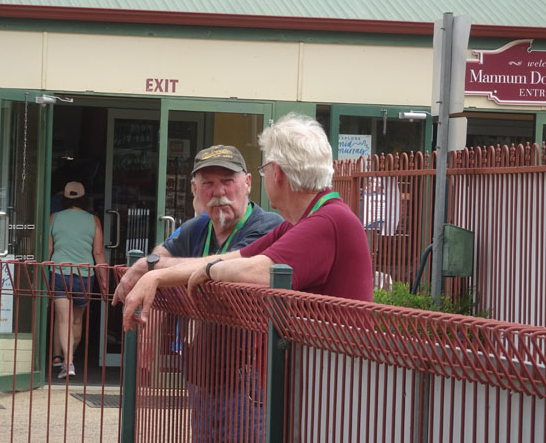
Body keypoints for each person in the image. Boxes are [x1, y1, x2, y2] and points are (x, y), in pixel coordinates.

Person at [120, 115, 372, 441]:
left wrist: (209, 272)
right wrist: (155, 275)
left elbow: (257, 270)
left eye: (265, 169)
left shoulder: (326, 221)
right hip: (312, 383)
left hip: (328, 391)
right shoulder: (303, 222)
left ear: (277, 173)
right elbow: (238, 257)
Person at [112, 144, 283, 442]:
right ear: (195, 189)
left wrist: (151, 268)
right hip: (202, 375)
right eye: (208, 183)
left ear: (247, 183)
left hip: (248, 379)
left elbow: (224, 268)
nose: (219, 192)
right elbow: (162, 253)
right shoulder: (198, 226)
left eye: (227, 181)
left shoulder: (268, 227)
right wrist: (150, 328)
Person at [49, 181, 107, 379]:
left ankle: (67, 362)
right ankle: (69, 360)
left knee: (63, 319)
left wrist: (41, 273)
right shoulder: (93, 220)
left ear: (64, 198)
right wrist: (104, 280)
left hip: (59, 272)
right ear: (84, 199)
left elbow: (48, 249)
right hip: (84, 274)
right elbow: (98, 252)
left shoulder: (54, 218)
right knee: (76, 321)